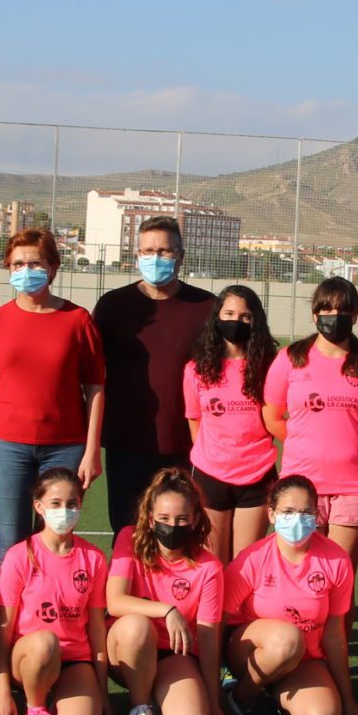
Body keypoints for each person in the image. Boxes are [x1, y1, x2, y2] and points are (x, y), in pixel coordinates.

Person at [0, 229, 105, 555]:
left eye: (35, 263)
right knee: (9, 544)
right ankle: (5, 609)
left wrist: (91, 450)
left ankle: (51, 607)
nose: (25, 271)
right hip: (6, 447)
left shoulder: (78, 320)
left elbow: (96, 388)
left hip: (65, 447)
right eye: (17, 264)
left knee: (55, 542)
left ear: (54, 267)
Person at [92, 214, 215, 531]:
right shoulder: (112, 306)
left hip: (186, 445)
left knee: (179, 536)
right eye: (147, 251)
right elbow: (90, 373)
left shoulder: (206, 307)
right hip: (127, 443)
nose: (155, 258)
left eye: (164, 251)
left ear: (181, 256)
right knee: (127, 532)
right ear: (137, 256)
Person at [262, 277, 358, 561]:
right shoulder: (290, 359)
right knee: (303, 570)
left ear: (356, 315)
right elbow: (271, 416)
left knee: (341, 574)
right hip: (302, 485)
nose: (334, 317)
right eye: (327, 310)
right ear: (315, 314)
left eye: (343, 312)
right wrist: (304, 441)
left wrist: (349, 444)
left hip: (354, 486)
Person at [221, 474, 358, 715]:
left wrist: (348, 699)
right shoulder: (252, 559)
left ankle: (276, 692)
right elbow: (216, 623)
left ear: (317, 514)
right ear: (271, 514)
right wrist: (209, 690)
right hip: (249, 652)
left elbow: (334, 634)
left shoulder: (337, 560)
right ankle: (244, 694)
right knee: (287, 640)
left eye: (306, 512)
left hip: (304, 657)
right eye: (288, 511)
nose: (297, 519)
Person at [0, 467, 110, 715]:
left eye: (72, 504)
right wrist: (1, 691)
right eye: (55, 504)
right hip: (31, 658)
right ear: (39, 507)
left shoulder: (93, 558)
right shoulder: (20, 556)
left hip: (73, 659)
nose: (64, 511)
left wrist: (101, 692)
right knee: (46, 642)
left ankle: (61, 707)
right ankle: (36, 709)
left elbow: (96, 626)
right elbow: (4, 629)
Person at [105, 469, 225, 715]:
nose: (173, 526)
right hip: (127, 649)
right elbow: (115, 601)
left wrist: (214, 701)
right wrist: (167, 610)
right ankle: (140, 708)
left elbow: (207, 638)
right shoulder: (129, 540)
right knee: (137, 625)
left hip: (174, 655)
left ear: (195, 520)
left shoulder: (209, 568)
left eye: (182, 519)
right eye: (164, 519)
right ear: (150, 519)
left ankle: (161, 699)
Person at [181, 285, 278, 563]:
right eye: (230, 313)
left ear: (256, 321)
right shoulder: (196, 369)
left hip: (257, 476)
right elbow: (195, 422)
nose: (237, 322)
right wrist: (214, 459)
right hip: (211, 476)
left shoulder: (268, 367)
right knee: (213, 564)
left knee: (245, 565)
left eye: (246, 317)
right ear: (217, 317)